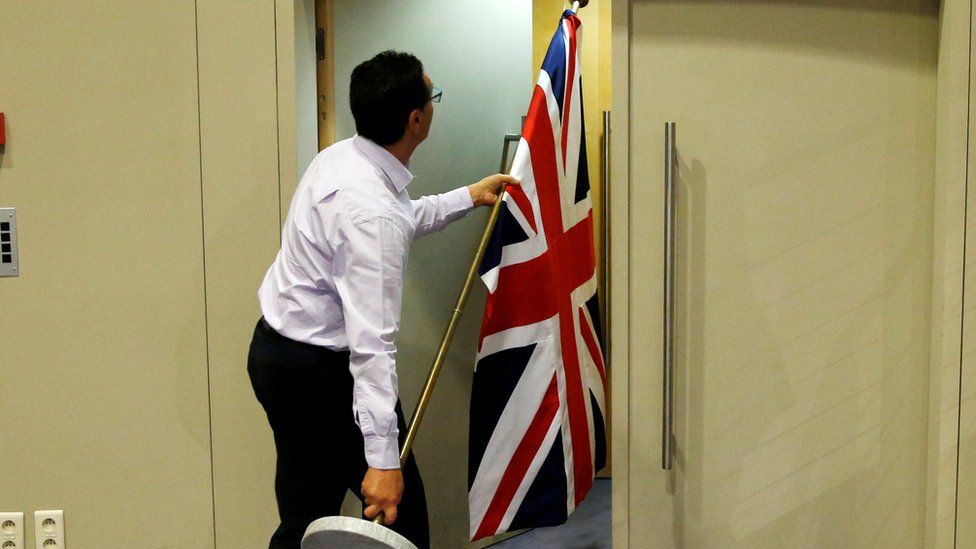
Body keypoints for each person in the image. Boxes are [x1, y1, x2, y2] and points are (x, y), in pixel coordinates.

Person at [247, 50, 519, 549]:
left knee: (307, 512)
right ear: (416, 120)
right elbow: (372, 345)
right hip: (316, 376)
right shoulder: (371, 213)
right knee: (401, 520)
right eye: (432, 97)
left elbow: (394, 219)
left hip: (275, 355)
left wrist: (467, 196)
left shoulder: (343, 157)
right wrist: (383, 459)